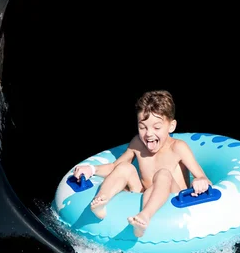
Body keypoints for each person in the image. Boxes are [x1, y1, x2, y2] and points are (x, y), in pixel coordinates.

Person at [73, 90, 211, 238]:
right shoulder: (137, 144)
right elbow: (114, 167)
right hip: (145, 193)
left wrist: (200, 181)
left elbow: (203, 178)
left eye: (156, 127)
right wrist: (91, 169)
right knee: (125, 167)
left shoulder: (178, 148)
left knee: (163, 174)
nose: (149, 134)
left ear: (171, 126)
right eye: (142, 127)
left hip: (173, 201)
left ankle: (145, 216)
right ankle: (101, 201)